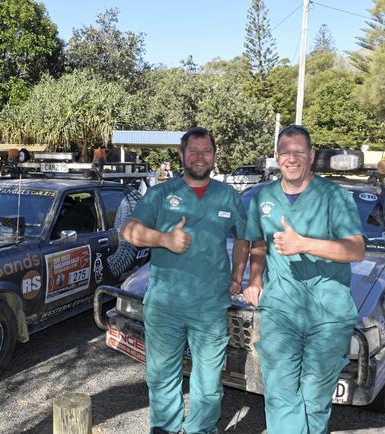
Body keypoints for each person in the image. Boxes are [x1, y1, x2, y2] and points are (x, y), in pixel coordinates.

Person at [121, 127, 249, 434]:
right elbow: (128, 230)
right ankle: (165, 427)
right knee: (162, 374)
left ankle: (201, 429)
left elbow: (245, 238)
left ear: (215, 156)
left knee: (208, 379)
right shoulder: (161, 194)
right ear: (181, 155)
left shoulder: (229, 196)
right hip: (165, 303)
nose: (200, 157)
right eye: (193, 151)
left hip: (210, 305)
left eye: (206, 151)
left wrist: (237, 274)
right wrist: (164, 238)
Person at [242, 125, 365, 434]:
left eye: (299, 152)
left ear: (311, 155)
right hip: (281, 309)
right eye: (285, 152)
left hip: (328, 313)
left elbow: (356, 249)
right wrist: (255, 280)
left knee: (315, 397)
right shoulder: (263, 198)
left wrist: (305, 244)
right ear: (276, 156)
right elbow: (258, 245)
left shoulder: (334, 197)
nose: (292, 158)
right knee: (281, 393)